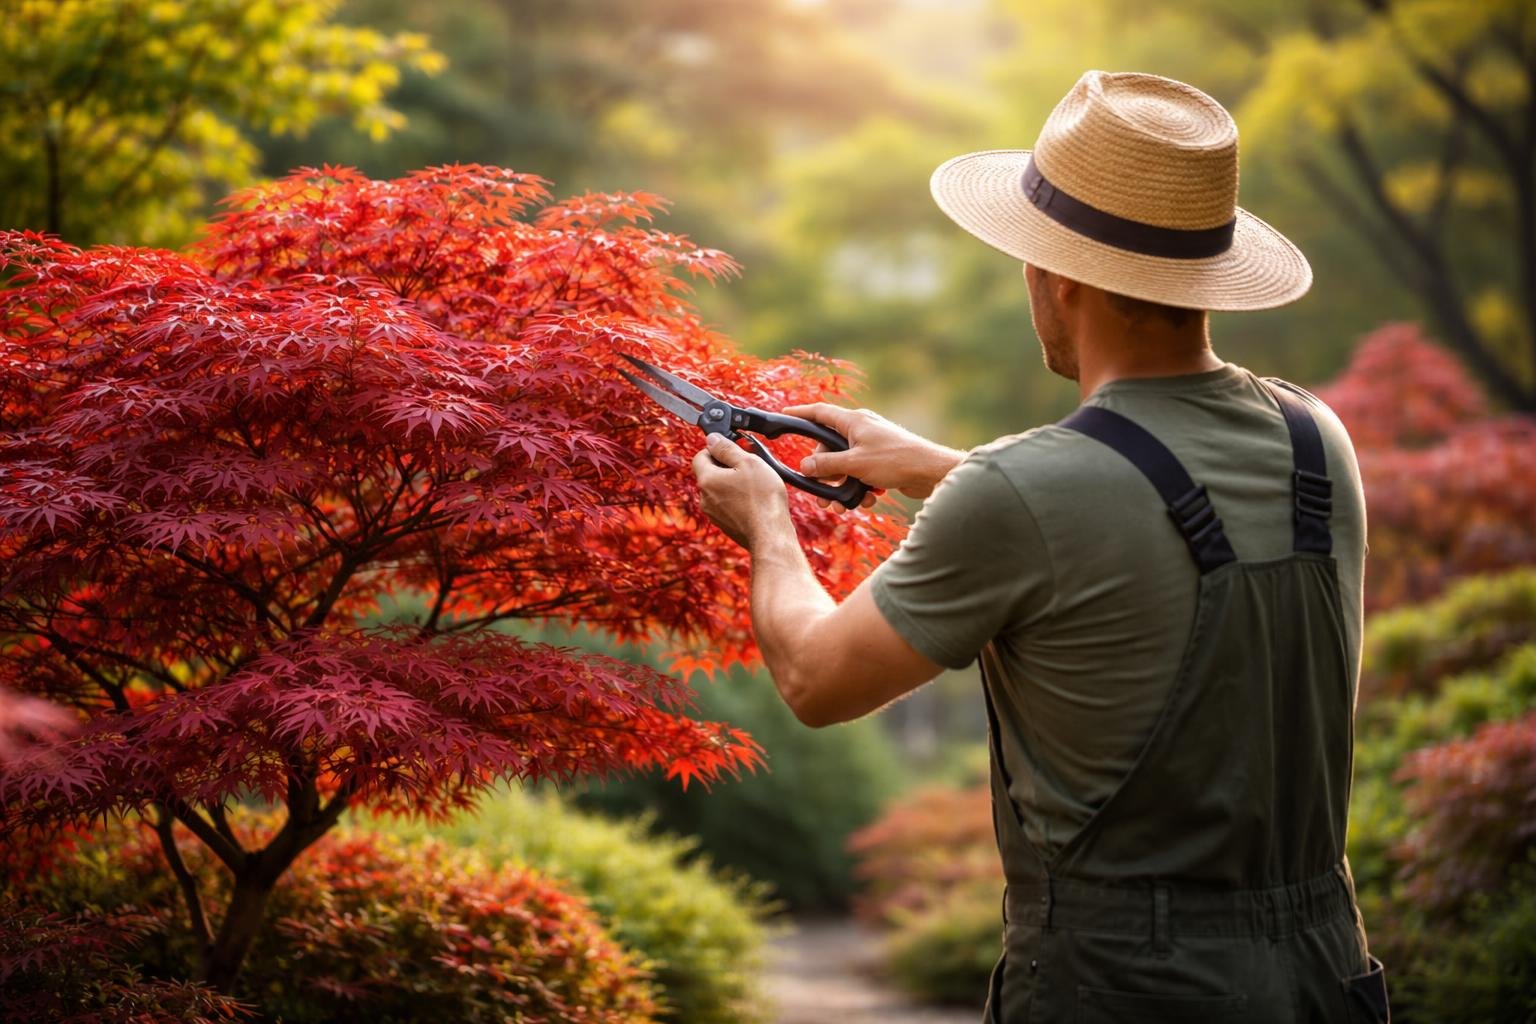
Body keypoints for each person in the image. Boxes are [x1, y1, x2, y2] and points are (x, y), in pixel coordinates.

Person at [692, 70, 1391, 1022]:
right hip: (1324, 973)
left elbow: (817, 679)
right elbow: (1141, 523)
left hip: (1124, 989)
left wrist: (768, 523)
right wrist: (933, 463)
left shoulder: (1023, 491)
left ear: (1056, 276)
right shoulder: (1319, 442)